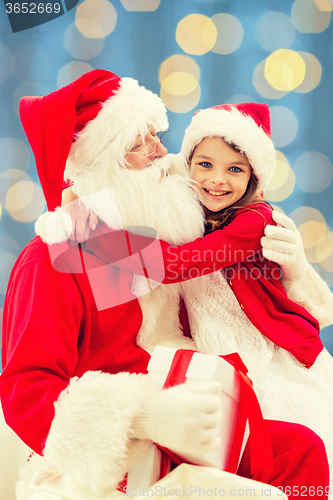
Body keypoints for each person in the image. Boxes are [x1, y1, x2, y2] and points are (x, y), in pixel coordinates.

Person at [0, 70, 330, 500]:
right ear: (105, 162)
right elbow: (26, 389)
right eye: (141, 142)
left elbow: (246, 309)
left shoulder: (161, 234)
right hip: (117, 450)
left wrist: (294, 275)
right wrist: (144, 416)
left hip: (195, 421)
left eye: (157, 135)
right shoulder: (56, 257)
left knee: (301, 451)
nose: (161, 151)